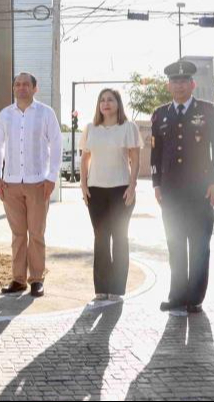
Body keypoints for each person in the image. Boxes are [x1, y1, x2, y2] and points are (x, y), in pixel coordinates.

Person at [151, 60, 214, 314]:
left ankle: (194, 298)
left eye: (184, 81)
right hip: (171, 191)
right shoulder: (160, 114)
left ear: (193, 84)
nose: (179, 85)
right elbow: (155, 152)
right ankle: (177, 295)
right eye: (174, 81)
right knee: (174, 244)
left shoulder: (208, 110)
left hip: (200, 190)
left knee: (199, 244)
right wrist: (156, 184)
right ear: (168, 85)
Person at [0, 72, 62, 298]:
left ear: (34, 88)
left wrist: (51, 177)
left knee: (37, 233)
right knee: (18, 234)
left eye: (25, 84)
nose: (21, 88)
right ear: (13, 88)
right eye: (17, 84)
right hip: (11, 183)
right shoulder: (5, 115)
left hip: (38, 183)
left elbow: (57, 145)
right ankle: (18, 280)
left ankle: (37, 280)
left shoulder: (45, 113)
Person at [80, 88, 143, 302]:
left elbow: (135, 158)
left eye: (110, 100)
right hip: (95, 190)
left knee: (119, 238)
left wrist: (132, 186)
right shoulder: (91, 129)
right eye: (102, 100)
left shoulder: (128, 128)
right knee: (100, 238)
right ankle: (101, 288)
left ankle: (116, 290)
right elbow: (85, 159)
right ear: (98, 105)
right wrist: (83, 185)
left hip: (121, 190)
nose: (106, 103)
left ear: (118, 104)